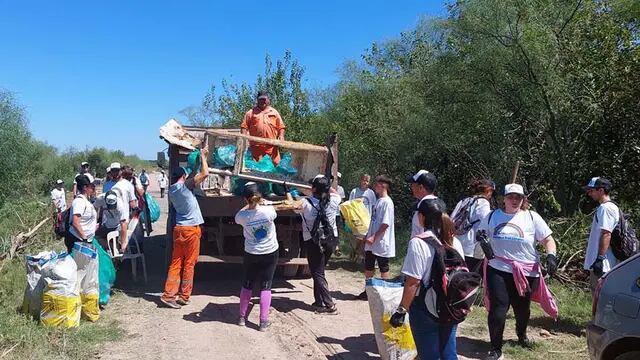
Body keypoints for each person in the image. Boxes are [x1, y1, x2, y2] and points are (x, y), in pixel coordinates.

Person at [479, 184, 558, 360]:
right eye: (510, 197)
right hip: (498, 267)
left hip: (526, 271)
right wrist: (483, 242)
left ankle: (521, 334)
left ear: (523, 200)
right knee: (498, 308)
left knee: (522, 309)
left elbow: (548, 239)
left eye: (518, 197)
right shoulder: (492, 216)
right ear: (504, 199)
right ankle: (495, 348)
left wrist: (551, 255)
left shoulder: (531, 217)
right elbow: (480, 233)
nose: (514, 200)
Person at [391, 199, 464, 360]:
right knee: (448, 352)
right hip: (451, 305)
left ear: (421, 217)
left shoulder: (418, 243)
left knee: (429, 355)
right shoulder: (455, 242)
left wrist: (401, 310)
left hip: (425, 306)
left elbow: (413, 282)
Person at [160, 147, 209, 309]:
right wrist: (203, 157)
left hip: (179, 229)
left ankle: (169, 295)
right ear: (183, 176)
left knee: (176, 263)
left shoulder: (173, 190)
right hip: (190, 231)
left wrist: (193, 166)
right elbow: (205, 174)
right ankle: (184, 295)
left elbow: (192, 177)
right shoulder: (185, 187)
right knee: (189, 264)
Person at [235, 183, 279, 331]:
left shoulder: (242, 216)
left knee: (247, 284)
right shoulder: (269, 211)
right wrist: (263, 203)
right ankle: (263, 322)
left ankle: (242, 317)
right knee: (266, 286)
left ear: (245, 199)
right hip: (270, 252)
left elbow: (239, 215)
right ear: (260, 197)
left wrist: (247, 205)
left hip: (251, 252)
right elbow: (273, 212)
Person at [297, 175, 342, 314]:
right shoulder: (334, 200)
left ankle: (329, 305)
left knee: (317, 272)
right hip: (330, 240)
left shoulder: (304, 203)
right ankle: (318, 301)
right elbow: (334, 192)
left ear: (313, 188)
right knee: (320, 271)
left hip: (314, 241)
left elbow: (292, 206)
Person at [357, 175, 395, 300]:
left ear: (383, 186)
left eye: (376, 184)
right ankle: (368, 290)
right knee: (369, 266)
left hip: (381, 241)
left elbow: (385, 224)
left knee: (383, 267)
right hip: (372, 240)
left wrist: (374, 237)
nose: (374, 187)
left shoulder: (387, 202)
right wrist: (368, 235)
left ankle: (387, 293)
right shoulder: (378, 201)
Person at [583, 177, 619, 292]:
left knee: (600, 300)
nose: (589, 193)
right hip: (603, 264)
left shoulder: (606, 208)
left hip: (604, 265)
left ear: (601, 190)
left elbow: (606, 234)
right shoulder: (606, 207)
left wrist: (600, 259)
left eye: (591, 190)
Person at [451, 179, 495, 274]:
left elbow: (452, 219)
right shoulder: (483, 202)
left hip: (456, 244)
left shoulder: (464, 201)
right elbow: (486, 222)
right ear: (488, 191)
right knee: (469, 279)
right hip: (471, 248)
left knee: (455, 277)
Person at [240, 91, 286, 165]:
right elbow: (244, 127)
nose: (262, 101)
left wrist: (281, 136)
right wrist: (243, 139)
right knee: (257, 169)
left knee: (274, 169)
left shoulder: (274, 112)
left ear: (268, 100)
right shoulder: (250, 113)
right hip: (256, 148)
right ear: (257, 100)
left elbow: (281, 127)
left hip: (272, 148)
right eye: (260, 99)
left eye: (264, 99)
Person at [65, 175, 97, 254]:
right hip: (78, 240)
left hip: (84, 239)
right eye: (91, 186)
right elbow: (76, 222)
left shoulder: (86, 201)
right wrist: (84, 239)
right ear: (85, 187)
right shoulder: (79, 202)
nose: (93, 189)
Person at [407, 170, 439, 238]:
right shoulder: (440, 205)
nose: (411, 187)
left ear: (421, 187)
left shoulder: (423, 208)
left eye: (413, 184)